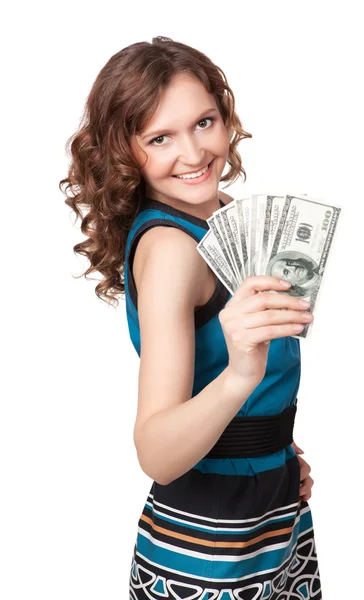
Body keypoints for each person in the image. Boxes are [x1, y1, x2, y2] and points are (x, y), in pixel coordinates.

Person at [60, 36, 322, 600]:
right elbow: (156, 450)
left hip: (270, 520)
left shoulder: (222, 216)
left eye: (204, 122)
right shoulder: (173, 250)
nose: (194, 153)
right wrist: (239, 376)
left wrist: (273, 447)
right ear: (125, 151)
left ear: (226, 117)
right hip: (210, 549)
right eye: (160, 137)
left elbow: (247, 399)